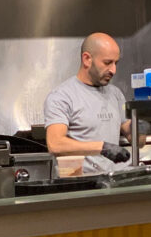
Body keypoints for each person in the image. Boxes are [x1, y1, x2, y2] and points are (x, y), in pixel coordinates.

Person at [44, 32, 136, 174]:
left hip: (115, 180)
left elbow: (133, 135)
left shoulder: (115, 94)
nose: (113, 70)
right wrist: (102, 147)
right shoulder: (62, 96)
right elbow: (55, 144)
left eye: (116, 63)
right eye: (107, 63)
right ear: (87, 59)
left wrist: (140, 129)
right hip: (81, 184)